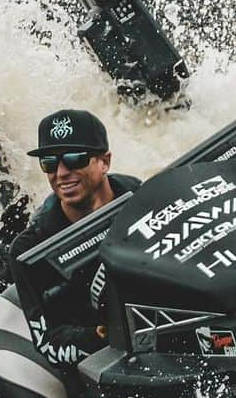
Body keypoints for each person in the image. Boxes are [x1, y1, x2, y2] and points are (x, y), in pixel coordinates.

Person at [8, 109, 141, 375]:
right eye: (49, 162)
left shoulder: (143, 197)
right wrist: (101, 336)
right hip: (108, 368)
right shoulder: (31, 250)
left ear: (104, 161)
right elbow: (49, 343)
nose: (61, 172)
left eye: (74, 158)